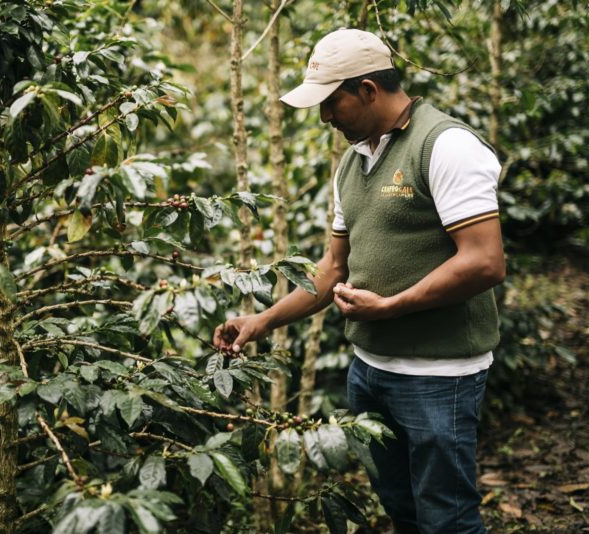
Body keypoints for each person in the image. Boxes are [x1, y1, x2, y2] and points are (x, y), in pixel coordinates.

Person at [212, 28, 505, 534]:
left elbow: (484, 262)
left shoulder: (445, 146)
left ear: (368, 90)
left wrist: (390, 307)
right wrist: (261, 321)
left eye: (331, 103)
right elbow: (332, 269)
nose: (324, 118)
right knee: (402, 509)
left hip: (438, 377)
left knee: (447, 517)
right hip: (369, 373)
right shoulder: (352, 162)